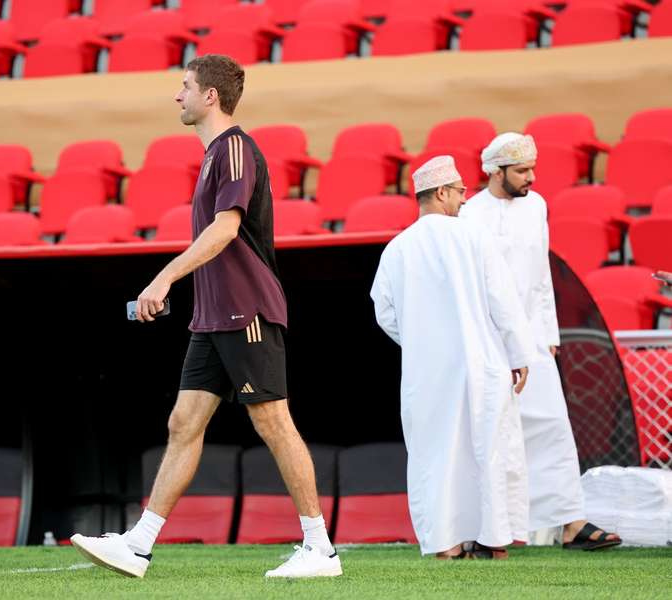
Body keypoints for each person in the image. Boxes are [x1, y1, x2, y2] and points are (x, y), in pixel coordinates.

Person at [71, 55, 340, 579]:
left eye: (186, 86)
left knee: (273, 420)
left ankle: (320, 548)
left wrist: (164, 277)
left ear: (210, 95)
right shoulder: (215, 154)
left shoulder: (235, 147)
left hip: (247, 312)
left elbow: (225, 229)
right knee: (183, 423)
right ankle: (140, 544)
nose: (179, 96)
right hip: (213, 317)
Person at [460, 133, 622, 551]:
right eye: (521, 170)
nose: (531, 177)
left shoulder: (537, 206)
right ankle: (494, 528)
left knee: (552, 424)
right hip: (490, 337)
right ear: (496, 172)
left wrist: (549, 333)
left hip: (532, 335)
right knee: (493, 432)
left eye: (532, 168)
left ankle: (572, 521)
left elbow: (541, 274)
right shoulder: (470, 214)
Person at [370, 155, 537, 559]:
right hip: (484, 366)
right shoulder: (475, 237)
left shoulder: (397, 248)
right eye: (460, 191)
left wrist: (421, 342)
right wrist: (518, 353)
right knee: (489, 451)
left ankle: (443, 545)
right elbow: (504, 301)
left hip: (426, 375)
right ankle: (494, 542)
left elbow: (385, 311)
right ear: (441, 192)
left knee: (435, 455)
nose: (465, 199)